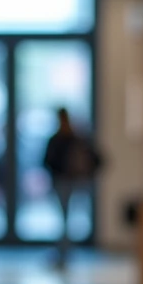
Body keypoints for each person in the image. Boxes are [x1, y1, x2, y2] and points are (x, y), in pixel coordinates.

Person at [43, 107, 101, 269]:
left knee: (64, 219)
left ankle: (63, 253)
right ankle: (64, 251)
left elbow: (47, 161)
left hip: (63, 182)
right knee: (65, 218)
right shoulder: (76, 137)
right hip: (72, 182)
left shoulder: (60, 139)